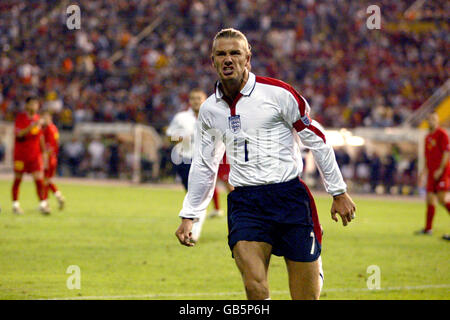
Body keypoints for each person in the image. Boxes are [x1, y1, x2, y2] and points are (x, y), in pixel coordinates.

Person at [175, 28, 356, 300]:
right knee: (255, 289)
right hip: (246, 202)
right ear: (212, 60)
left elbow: (317, 139)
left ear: (248, 57)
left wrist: (338, 192)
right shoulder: (210, 110)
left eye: (235, 53)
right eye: (221, 54)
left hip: (290, 198)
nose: (228, 59)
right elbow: (204, 164)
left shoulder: (279, 94)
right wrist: (189, 214)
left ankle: (314, 268)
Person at [166, 88, 222, 240]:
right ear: (189, 101)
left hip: (204, 161)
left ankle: (194, 232)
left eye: (199, 98)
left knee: (198, 196)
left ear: (205, 100)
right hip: (185, 160)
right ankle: (192, 227)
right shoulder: (181, 117)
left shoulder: (213, 116)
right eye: (194, 98)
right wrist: (182, 138)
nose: (197, 101)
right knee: (192, 196)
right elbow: (170, 136)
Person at [12, 97, 50, 215]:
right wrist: (33, 125)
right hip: (21, 155)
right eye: (33, 104)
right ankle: (15, 205)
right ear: (27, 105)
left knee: (39, 179)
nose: (35, 106)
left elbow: (41, 137)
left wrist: (44, 153)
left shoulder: (38, 119)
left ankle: (43, 204)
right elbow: (19, 134)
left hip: (35, 155)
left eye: (37, 104)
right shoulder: (21, 118)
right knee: (18, 179)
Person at [416, 113, 450, 240]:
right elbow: (427, 157)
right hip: (431, 172)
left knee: (442, 199)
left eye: (433, 119)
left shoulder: (442, 134)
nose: (431, 121)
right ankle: (428, 229)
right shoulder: (427, 137)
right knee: (430, 200)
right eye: (429, 119)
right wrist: (423, 171)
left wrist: (440, 169)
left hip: (442, 172)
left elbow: (446, 153)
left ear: (437, 120)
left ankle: (428, 228)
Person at [42, 110, 65, 210]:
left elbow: (50, 146)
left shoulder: (49, 129)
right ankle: (59, 196)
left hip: (49, 157)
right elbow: (57, 143)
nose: (43, 120)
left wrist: (46, 159)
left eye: (45, 118)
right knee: (47, 180)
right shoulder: (54, 128)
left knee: (45, 181)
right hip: (53, 157)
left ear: (49, 118)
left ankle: (45, 203)